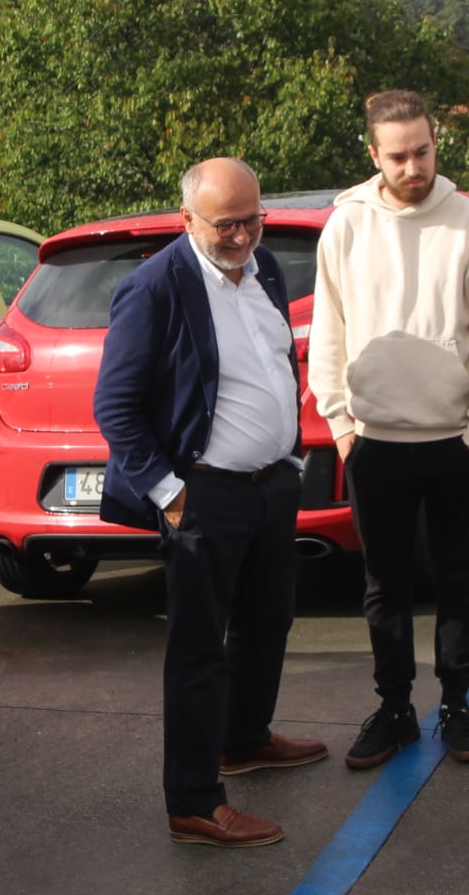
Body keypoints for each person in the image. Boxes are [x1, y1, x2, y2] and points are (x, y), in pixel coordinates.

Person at [93, 157, 328, 848]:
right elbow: (116, 405)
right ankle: (194, 799)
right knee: (200, 653)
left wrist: (288, 454)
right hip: (203, 494)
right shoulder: (154, 287)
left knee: (268, 622)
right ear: (187, 218)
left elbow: (273, 362)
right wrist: (168, 493)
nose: (242, 236)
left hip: (270, 484)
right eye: (225, 224)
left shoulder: (268, 270)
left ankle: (245, 739)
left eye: (252, 219)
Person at [309, 90, 469, 770]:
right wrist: (342, 424)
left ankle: (456, 705)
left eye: (422, 151)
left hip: (455, 441)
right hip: (375, 442)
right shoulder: (346, 225)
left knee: (459, 581)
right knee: (384, 586)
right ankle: (394, 707)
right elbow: (329, 333)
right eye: (397, 155)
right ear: (373, 155)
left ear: (436, 145)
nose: (412, 165)